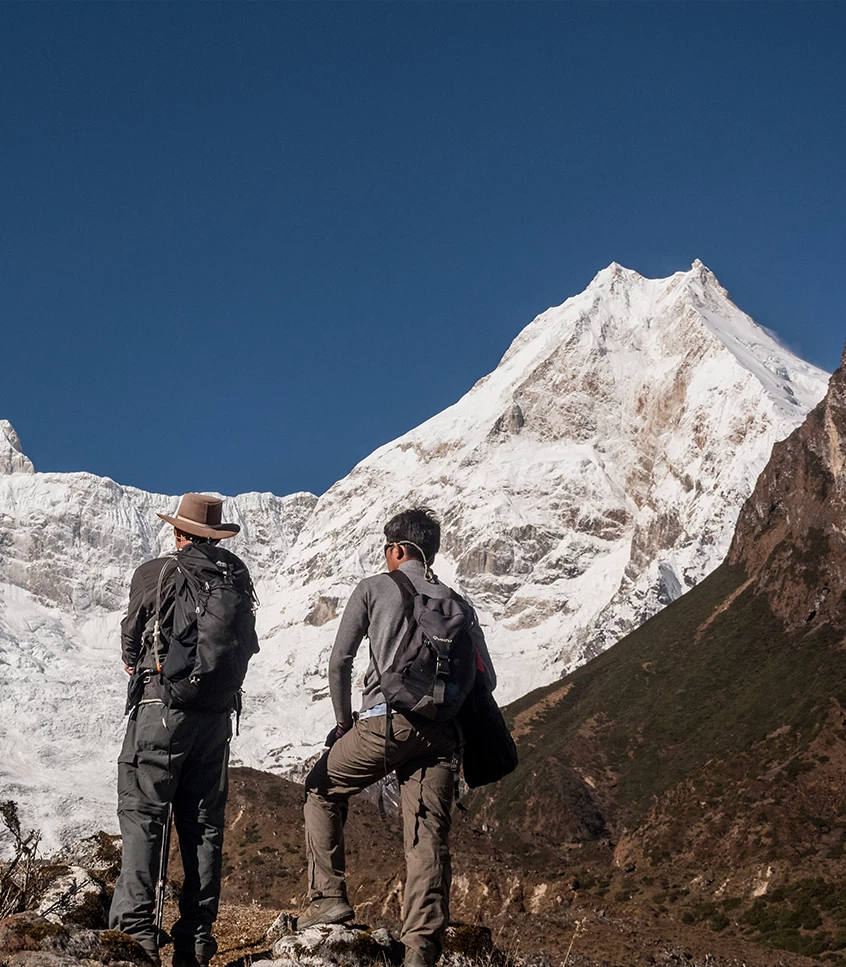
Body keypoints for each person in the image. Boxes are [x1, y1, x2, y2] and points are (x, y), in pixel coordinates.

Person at [301, 508, 497, 967]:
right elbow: (485, 680)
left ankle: (328, 899)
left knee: (320, 788)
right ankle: (420, 951)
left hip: (384, 724)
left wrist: (343, 723)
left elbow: (339, 662)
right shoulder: (457, 603)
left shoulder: (374, 587)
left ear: (396, 549)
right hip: (442, 735)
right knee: (427, 838)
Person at [109, 493, 258, 967]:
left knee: (143, 814)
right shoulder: (234, 579)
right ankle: (196, 941)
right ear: (215, 536)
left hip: (161, 710)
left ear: (178, 533)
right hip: (215, 720)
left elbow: (132, 643)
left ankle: (135, 937)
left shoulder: (156, 573)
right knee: (203, 827)